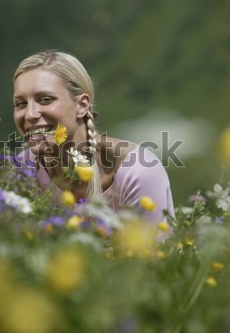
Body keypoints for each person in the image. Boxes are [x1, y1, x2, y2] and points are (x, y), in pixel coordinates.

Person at [13, 50, 175, 225]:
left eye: (45, 99)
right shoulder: (19, 171)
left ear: (82, 105)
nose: (29, 114)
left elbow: (151, 251)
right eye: (21, 103)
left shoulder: (137, 171)